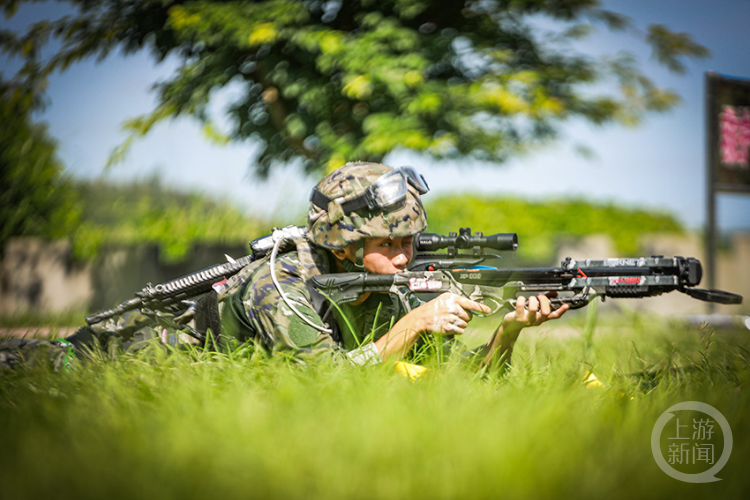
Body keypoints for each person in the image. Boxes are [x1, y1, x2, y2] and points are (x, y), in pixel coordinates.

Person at [216, 161, 568, 367]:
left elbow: (457, 382)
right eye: (385, 244)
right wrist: (413, 324)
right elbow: (323, 382)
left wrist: (507, 333)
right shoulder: (281, 284)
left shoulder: (393, 288)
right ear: (343, 248)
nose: (403, 257)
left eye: (407, 242)